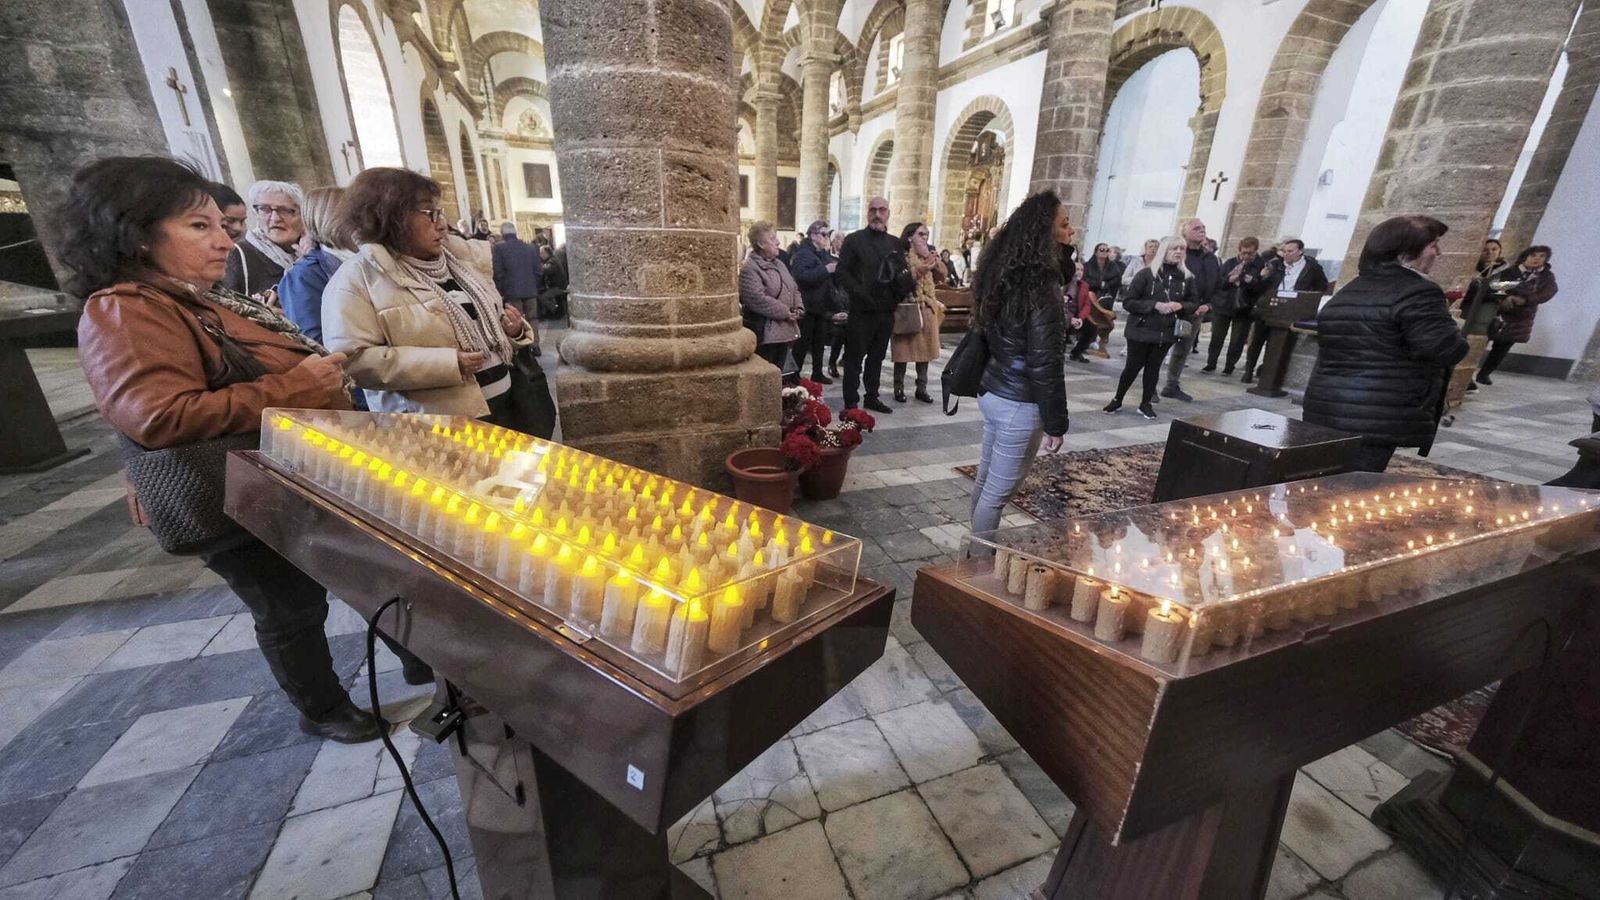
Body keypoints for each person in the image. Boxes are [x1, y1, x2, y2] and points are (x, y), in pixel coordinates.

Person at [63, 156, 417, 744]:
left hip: (284, 479)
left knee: (357, 575)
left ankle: (416, 658)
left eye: (219, 225)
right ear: (135, 231)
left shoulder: (189, 298)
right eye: (198, 226)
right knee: (288, 607)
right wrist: (295, 387)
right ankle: (322, 708)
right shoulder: (125, 308)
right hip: (234, 495)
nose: (224, 239)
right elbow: (157, 415)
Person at [322, 168, 551, 436]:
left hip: (509, 404)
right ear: (389, 217)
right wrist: (448, 364)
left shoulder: (460, 264)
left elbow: (485, 327)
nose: (441, 223)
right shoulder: (356, 279)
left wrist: (513, 330)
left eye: (439, 212)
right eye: (429, 214)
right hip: (439, 426)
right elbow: (356, 361)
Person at [1302, 215, 1467, 473]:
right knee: (1353, 487)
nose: (1438, 252)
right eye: (1433, 244)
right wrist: (1448, 321)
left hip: (1329, 404)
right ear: (1405, 251)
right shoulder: (1418, 291)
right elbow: (1445, 349)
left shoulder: (1353, 288)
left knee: (1324, 478)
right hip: (1376, 413)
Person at [970, 191, 1072, 538]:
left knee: (986, 481)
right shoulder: (1042, 285)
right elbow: (1044, 361)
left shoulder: (1006, 271)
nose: (1070, 231)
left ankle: (971, 552)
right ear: (1045, 231)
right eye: (1064, 224)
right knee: (997, 495)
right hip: (1020, 401)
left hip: (995, 390)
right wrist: (1057, 423)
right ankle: (976, 566)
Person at [1106, 236, 1197, 419]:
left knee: (1153, 369)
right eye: (1174, 248)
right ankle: (1118, 399)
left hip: (1166, 332)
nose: (1178, 252)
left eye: (1181, 248)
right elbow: (1129, 302)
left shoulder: (1187, 278)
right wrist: (1153, 305)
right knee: (1132, 367)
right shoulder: (1146, 274)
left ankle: (1145, 403)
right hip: (1140, 330)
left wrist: (1180, 306)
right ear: (1164, 250)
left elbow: (1193, 303)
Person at [836, 196, 911, 413]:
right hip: (861, 311)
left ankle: (872, 396)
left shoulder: (895, 243)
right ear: (867, 213)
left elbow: (900, 273)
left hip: (886, 312)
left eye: (882, 210)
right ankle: (851, 402)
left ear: (888, 213)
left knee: (877, 358)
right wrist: (860, 294)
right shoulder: (854, 240)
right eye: (872, 210)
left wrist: (897, 296)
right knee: (853, 360)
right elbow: (842, 272)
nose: (877, 214)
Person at [278, 187, 355, 349]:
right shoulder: (302, 275)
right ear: (331, 219)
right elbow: (311, 340)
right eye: (354, 214)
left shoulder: (367, 258)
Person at [1475, 245, 1558, 387]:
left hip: (1521, 316)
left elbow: (1548, 292)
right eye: (1533, 255)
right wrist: (1505, 298)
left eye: (1541, 256)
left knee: (1503, 346)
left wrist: (1526, 299)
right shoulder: (1512, 272)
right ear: (1525, 257)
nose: (1537, 258)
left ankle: (1485, 373)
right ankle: (1469, 370)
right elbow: (1494, 287)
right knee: (1481, 341)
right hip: (1500, 312)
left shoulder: (1546, 276)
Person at [1158, 219, 1218, 402]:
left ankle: (1171, 385)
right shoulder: (1177, 254)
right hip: (1172, 310)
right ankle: (1150, 385)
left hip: (1196, 312)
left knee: (1182, 349)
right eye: (1197, 228)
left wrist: (1208, 305)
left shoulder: (1210, 258)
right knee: (1158, 349)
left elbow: (1218, 285)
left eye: (1204, 228)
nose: (1202, 231)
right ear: (1184, 233)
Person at [891, 222, 947, 403]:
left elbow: (942, 275)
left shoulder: (930, 254)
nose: (925, 238)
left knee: (925, 351)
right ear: (909, 237)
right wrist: (921, 267)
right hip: (908, 307)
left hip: (927, 307)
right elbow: (901, 280)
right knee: (903, 350)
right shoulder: (902, 256)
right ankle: (898, 387)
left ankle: (921, 388)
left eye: (926, 234)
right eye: (921, 234)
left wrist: (934, 261)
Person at [223, 180, 305, 299]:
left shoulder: (316, 253)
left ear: (302, 215)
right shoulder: (239, 254)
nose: (275, 218)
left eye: (285, 210)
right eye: (265, 209)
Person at [739, 221, 804, 369]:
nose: (778, 242)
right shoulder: (750, 268)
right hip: (765, 334)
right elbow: (756, 298)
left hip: (784, 330)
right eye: (773, 238)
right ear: (761, 244)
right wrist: (785, 312)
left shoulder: (780, 264)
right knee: (765, 375)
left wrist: (798, 307)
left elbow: (793, 288)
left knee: (779, 374)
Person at [789, 219, 843, 383]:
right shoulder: (803, 253)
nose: (827, 237)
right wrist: (826, 269)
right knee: (803, 344)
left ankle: (817, 372)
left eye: (828, 234)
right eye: (824, 234)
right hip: (807, 304)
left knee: (819, 342)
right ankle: (794, 374)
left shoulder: (821, 253)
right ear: (813, 235)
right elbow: (801, 277)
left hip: (820, 305)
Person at [1203, 237, 1266, 375]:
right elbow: (1219, 283)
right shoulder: (1231, 262)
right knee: (1217, 337)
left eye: (1250, 253)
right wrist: (1229, 279)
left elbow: (1263, 288)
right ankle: (1211, 363)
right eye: (1243, 253)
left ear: (1256, 251)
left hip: (1245, 307)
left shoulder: (1261, 265)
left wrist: (1251, 281)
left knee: (1237, 340)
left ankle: (1229, 366)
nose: (1246, 256)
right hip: (1224, 304)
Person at [491, 222, 544, 352]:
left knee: (517, 319)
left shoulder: (499, 249)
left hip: (511, 291)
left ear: (503, 234)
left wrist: (501, 290)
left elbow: (498, 272)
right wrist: (533, 284)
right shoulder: (530, 248)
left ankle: (523, 347)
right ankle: (535, 345)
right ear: (515, 232)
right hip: (530, 290)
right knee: (533, 318)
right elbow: (538, 270)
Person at [827, 230, 849, 379]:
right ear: (833, 241)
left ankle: (846, 359)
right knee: (838, 336)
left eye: (843, 239)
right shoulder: (828, 256)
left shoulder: (848, 256)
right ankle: (832, 363)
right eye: (839, 239)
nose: (842, 242)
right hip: (835, 298)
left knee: (853, 336)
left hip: (849, 297)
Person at [537, 244, 568, 321]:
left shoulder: (551, 262)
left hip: (558, 287)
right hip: (558, 285)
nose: (540, 255)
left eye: (541, 253)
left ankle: (555, 311)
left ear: (546, 253)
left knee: (542, 297)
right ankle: (552, 310)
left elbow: (545, 271)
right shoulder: (553, 259)